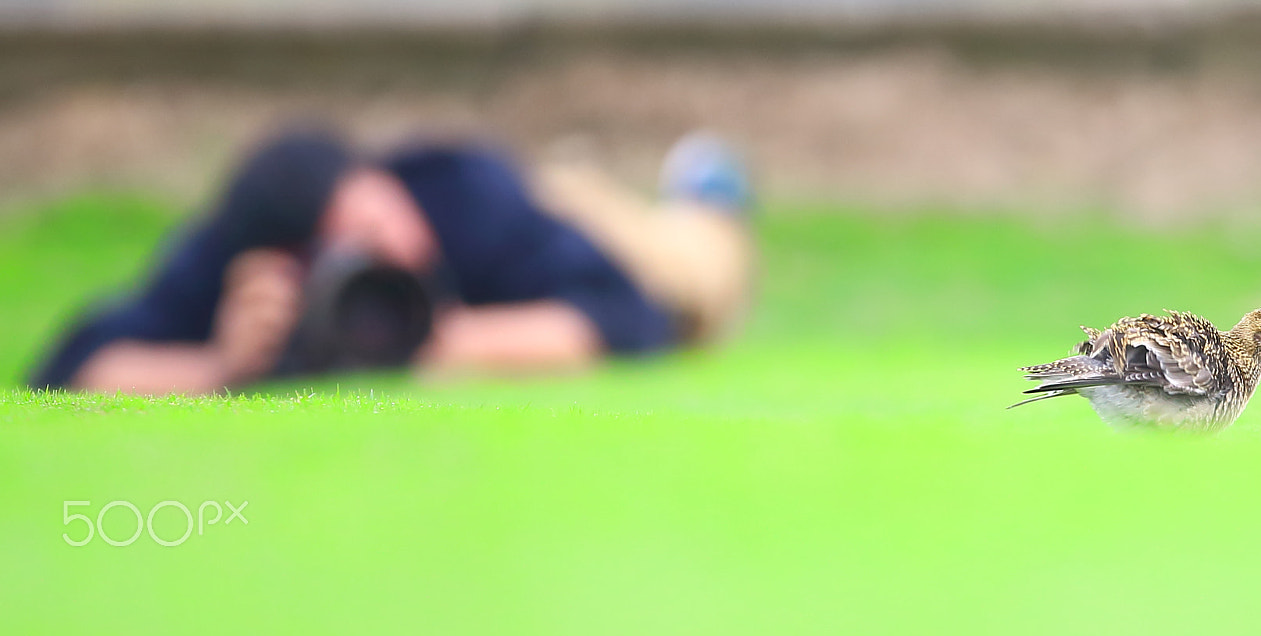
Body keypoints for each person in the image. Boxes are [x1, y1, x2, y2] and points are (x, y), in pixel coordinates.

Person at [29, 126, 756, 394]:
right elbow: (67, 368)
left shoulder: (465, 198)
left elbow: (628, 320)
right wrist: (220, 365)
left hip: (569, 218)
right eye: (343, 251)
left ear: (385, 185)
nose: (379, 258)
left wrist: (446, 343)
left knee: (693, 284)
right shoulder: (230, 254)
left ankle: (705, 199)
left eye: (375, 226)